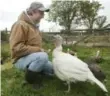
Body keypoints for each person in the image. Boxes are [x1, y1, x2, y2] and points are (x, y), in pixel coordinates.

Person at [9, 2, 53, 88]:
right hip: (19, 60)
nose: (43, 16)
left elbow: (34, 46)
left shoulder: (34, 26)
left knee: (53, 70)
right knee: (42, 57)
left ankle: (37, 71)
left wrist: (41, 50)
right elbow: (16, 48)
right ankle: (31, 80)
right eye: (41, 13)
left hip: (31, 57)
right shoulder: (20, 25)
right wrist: (39, 50)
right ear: (32, 12)